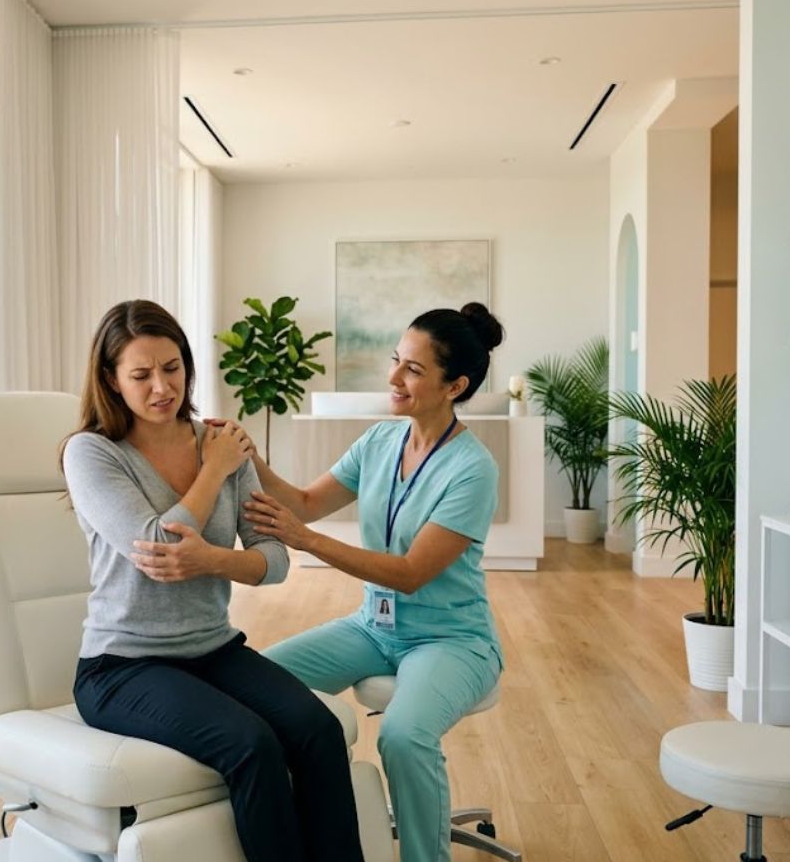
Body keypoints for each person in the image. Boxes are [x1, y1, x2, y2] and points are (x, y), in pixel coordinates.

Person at [61, 299, 366, 862]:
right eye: (141, 374)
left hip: (214, 650)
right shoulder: (92, 454)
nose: (161, 387)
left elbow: (273, 559)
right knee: (250, 745)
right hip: (123, 667)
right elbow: (159, 546)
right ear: (111, 379)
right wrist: (214, 471)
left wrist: (214, 561)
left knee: (318, 731)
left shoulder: (221, 440)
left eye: (172, 367)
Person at [239, 302, 505, 862]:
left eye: (413, 369)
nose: (393, 378)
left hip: (450, 639)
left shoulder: (472, 469)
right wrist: (251, 458)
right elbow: (306, 504)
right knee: (257, 684)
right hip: (373, 628)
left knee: (403, 737)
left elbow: (411, 575)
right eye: (396, 361)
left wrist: (305, 541)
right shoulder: (380, 442)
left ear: (455, 385)